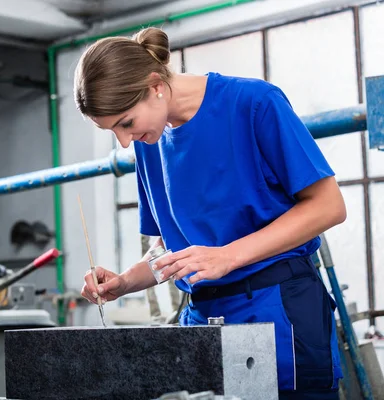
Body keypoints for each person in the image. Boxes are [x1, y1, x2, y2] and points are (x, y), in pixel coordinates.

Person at [76, 27, 347, 400]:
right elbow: (170, 250)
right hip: (202, 325)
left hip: (279, 313)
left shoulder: (253, 103)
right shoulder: (148, 142)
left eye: (125, 123)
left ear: (155, 85)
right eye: (113, 132)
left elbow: (329, 205)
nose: (124, 141)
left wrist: (227, 257)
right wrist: (125, 282)